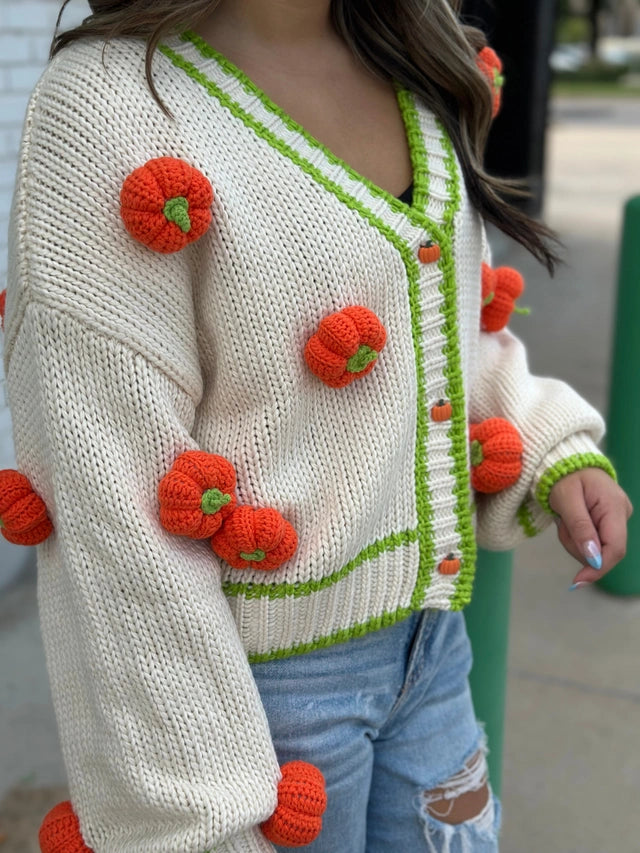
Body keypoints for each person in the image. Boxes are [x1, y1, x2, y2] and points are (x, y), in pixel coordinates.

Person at [2, 1, 632, 851]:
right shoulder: (111, 107)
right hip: (253, 704)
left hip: (433, 648)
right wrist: (192, 810)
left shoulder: (413, 52)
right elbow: (108, 501)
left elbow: (443, 326)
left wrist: (548, 446)